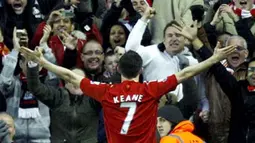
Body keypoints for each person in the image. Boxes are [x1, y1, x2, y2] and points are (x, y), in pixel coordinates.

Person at [19, 41, 236, 143]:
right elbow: (185, 74)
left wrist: (41, 62)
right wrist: (214, 59)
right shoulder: (151, 89)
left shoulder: (107, 91)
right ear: (141, 70)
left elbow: (71, 76)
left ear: (118, 69)